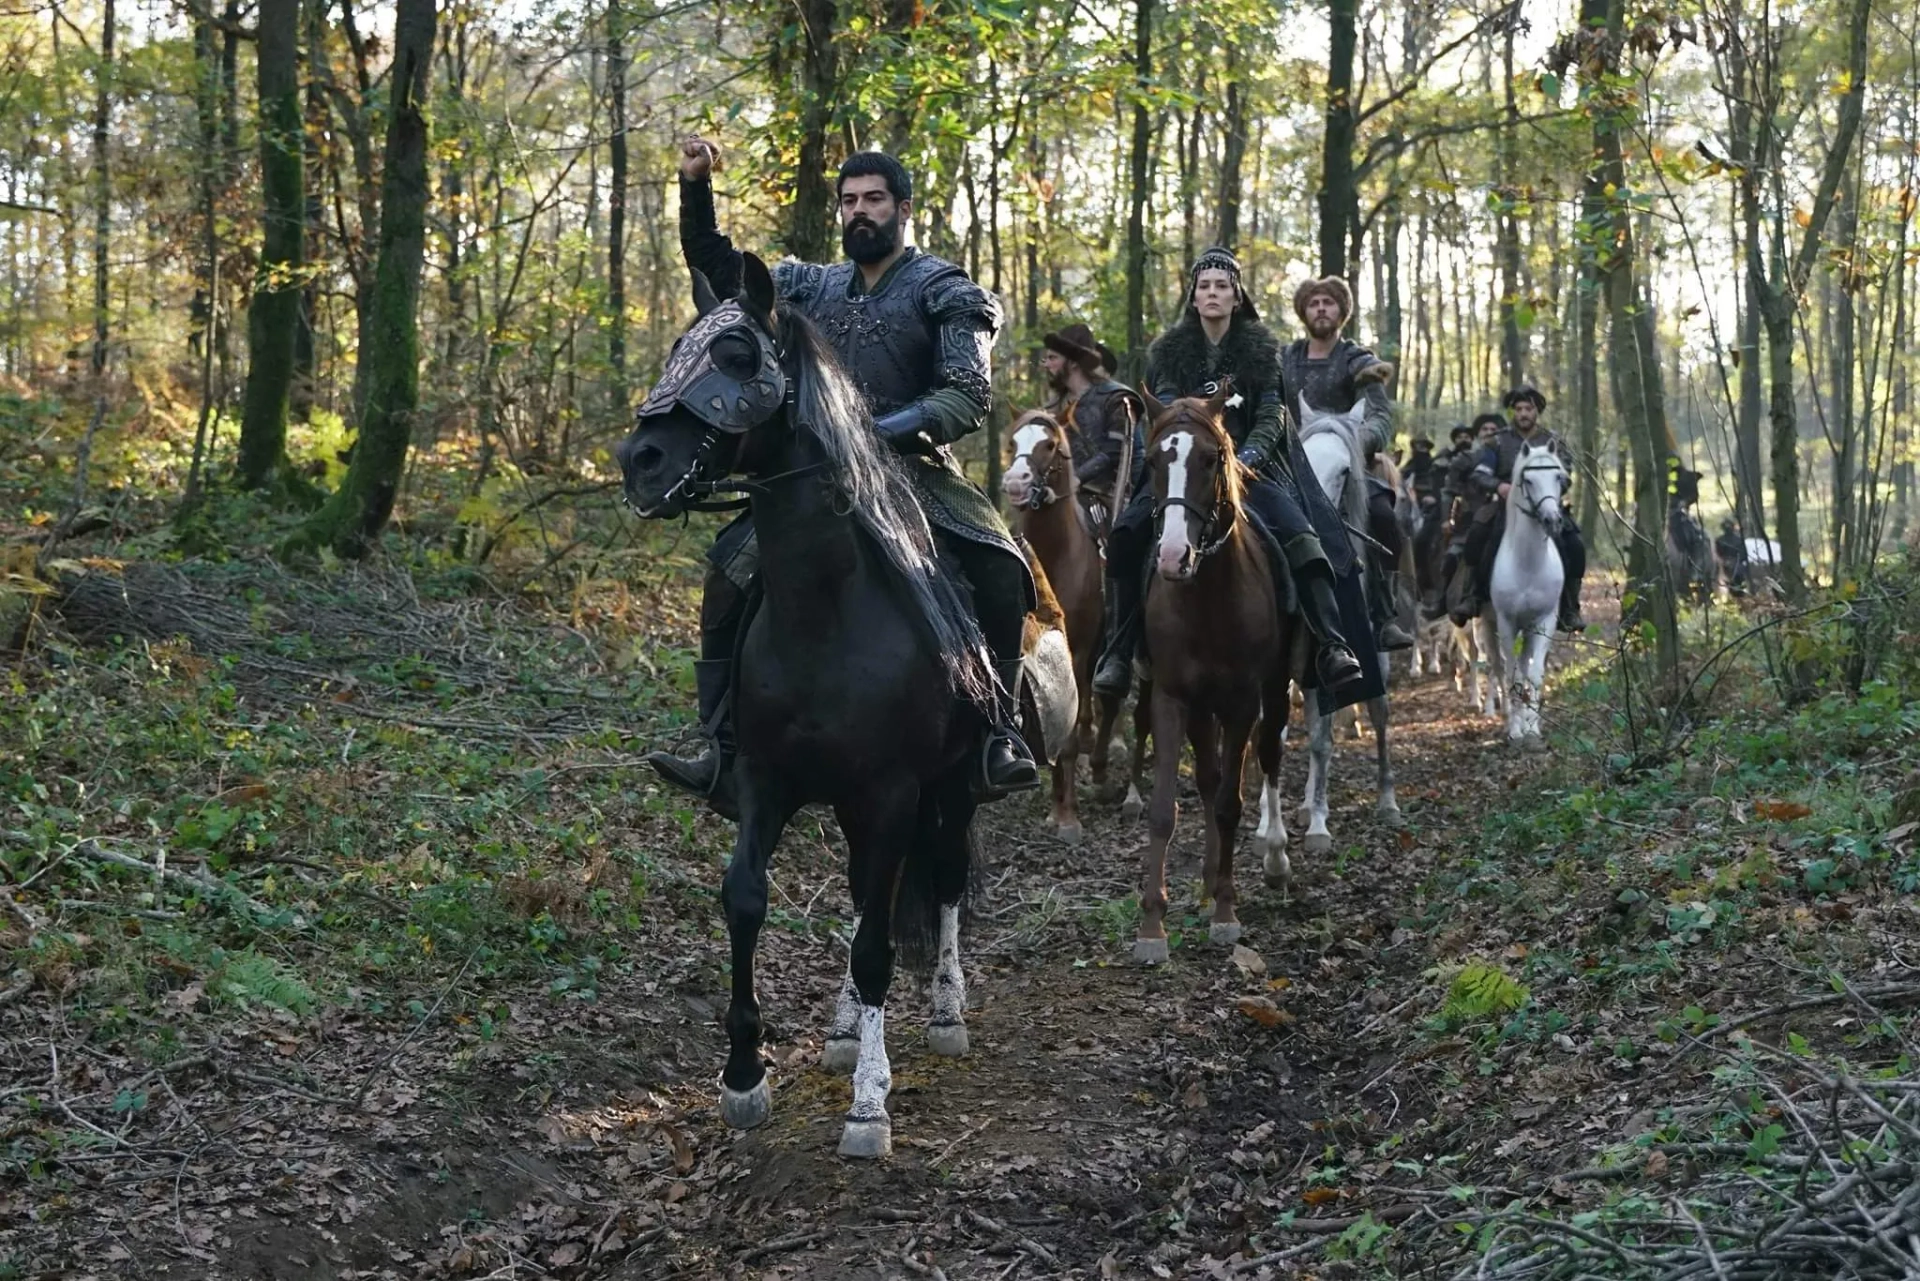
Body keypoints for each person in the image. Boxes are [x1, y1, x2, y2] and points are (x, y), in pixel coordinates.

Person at [646, 137, 1039, 817]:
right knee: (729, 568)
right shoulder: (810, 284)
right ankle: (720, 741)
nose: (860, 212)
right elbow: (718, 266)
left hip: (913, 468)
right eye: (849, 201)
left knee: (1001, 565)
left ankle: (997, 733)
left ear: (903, 209)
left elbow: (966, 394)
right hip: (812, 476)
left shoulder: (946, 290)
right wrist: (694, 185)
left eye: (874, 200)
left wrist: (871, 439)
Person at [1092, 247, 1371, 703]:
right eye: (1205, 286)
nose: (1213, 293)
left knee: (1305, 538)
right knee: (1125, 535)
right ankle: (1120, 651)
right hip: (1182, 470)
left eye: (1222, 286)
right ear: (1194, 297)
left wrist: (1249, 456)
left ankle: (1330, 644)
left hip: (1252, 470)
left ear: (1236, 297)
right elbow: (1163, 409)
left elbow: (1273, 412)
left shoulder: (1262, 350)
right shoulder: (1167, 351)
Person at [1283, 277, 1414, 651]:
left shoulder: (1359, 362)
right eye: (1314, 303)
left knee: (1385, 518)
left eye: (1329, 302)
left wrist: (1350, 441)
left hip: (1350, 465)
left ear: (1342, 311)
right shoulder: (1285, 360)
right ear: (1304, 312)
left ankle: (1384, 615)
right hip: (1293, 463)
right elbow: (1273, 411)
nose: (1321, 308)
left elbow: (1379, 416)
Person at [1461, 386, 1588, 631]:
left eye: (1528, 409)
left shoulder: (1554, 441)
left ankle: (1570, 607)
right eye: (1518, 409)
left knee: (1574, 545)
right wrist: (1499, 486)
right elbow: (1480, 473)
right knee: (1478, 535)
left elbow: (1566, 474)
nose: (1523, 414)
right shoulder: (1497, 441)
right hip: (1506, 507)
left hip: (1546, 507)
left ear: (1536, 411)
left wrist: (1550, 492)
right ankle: (1472, 595)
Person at [1040, 322, 1144, 528]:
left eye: (1053, 358)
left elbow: (1114, 452)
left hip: (1117, 500)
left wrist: (1075, 479)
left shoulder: (1116, 398)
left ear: (1073, 363)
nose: (1046, 364)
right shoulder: (1053, 406)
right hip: (1065, 497)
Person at [1715, 517, 1750, 594]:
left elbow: (1743, 555)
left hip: (1736, 567)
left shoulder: (1738, 540)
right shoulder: (1720, 540)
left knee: (1738, 586)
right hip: (1726, 567)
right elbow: (1718, 554)